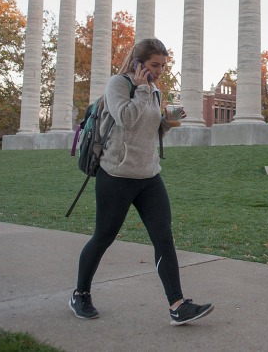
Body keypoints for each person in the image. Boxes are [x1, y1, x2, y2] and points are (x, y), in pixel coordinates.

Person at [69, 38, 213, 326]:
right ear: (138, 64)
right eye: (154, 65)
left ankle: (177, 305)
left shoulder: (154, 90)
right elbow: (125, 119)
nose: (159, 71)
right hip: (117, 176)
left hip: (149, 176)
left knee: (164, 238)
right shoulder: (118, 85)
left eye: (163, 66)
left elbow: (149, 132)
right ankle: (80, 294)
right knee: (103, 237)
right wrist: (144, 90)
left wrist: (170, 121)